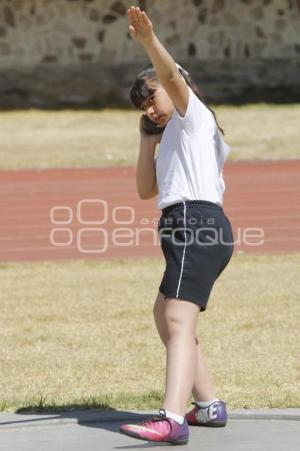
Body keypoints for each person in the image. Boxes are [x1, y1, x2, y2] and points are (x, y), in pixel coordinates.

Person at [120, 6, 234, 445]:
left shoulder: (193, 117)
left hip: (197, 223)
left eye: (151, 97)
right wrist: (146, 139)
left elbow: (170, 80)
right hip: (183, 224)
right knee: (164, 314)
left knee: (177, 318)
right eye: (142, 105)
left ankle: (171, 419)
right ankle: (207, 404)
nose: (149, 107)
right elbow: (146, 190)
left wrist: (149, 41)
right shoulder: (170, 136)